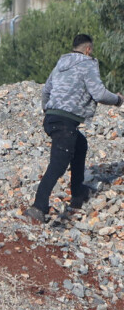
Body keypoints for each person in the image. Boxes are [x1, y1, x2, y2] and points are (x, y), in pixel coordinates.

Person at [26, 34, 123, 223]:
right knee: (58, 165)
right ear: (88, 49)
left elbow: (46, 90)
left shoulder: (61, 63)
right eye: (91, 50)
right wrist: (118, 100)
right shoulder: (88, 63)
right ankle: (38, 207)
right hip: (65, 121)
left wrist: (49, 111)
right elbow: (99, 93)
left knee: (80, 144)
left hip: (52, 117)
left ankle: (78, 194)